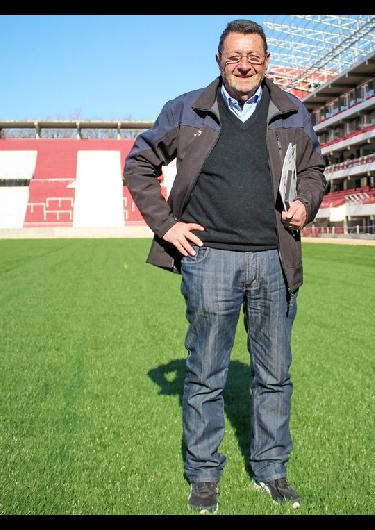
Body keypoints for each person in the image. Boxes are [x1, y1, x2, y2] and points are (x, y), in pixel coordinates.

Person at [124, 19, 325, 514]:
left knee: (274, 374)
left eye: (253, 57)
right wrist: (167, 225)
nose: (244, 65)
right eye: (234, 56)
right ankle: (204, 475)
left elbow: (316, 172)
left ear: (266, 61)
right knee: (206, 374)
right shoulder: (188, 108)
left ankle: (272, 470)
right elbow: (139, 163)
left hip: (273, 260)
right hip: (208, 257)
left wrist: (305, 203)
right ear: (219, 60)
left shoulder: (292, 111)